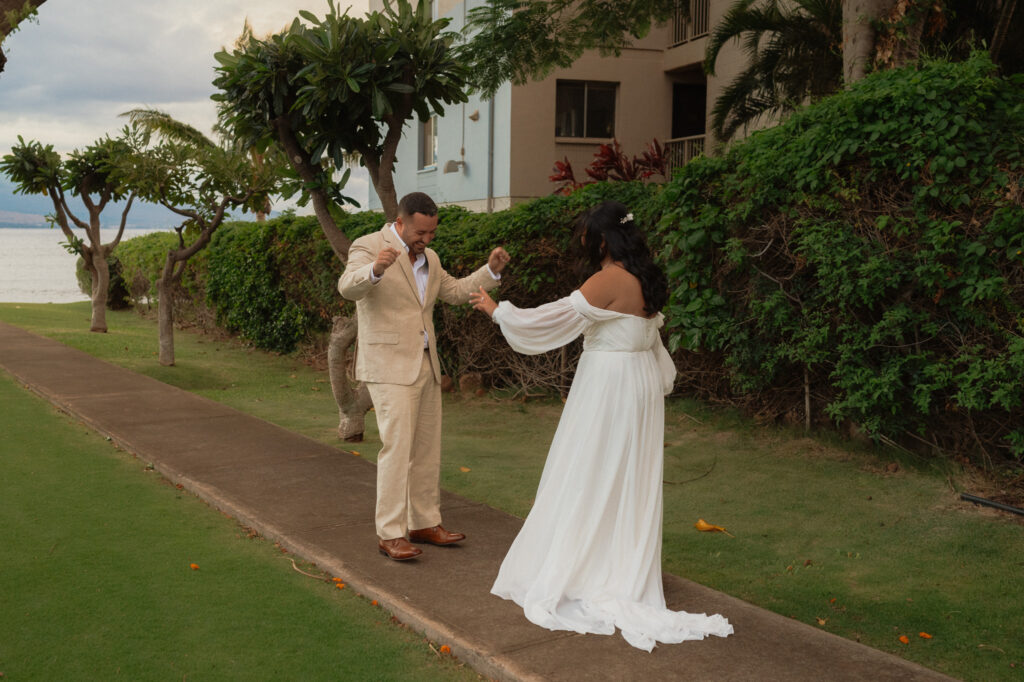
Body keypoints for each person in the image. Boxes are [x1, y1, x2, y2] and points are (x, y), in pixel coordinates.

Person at [468, 201, 733, 651]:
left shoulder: (609, 278)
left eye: (588, 237)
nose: (584, 244)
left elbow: (555, 318)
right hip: (638, 386)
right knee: (623, 476)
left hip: (610, 386)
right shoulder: (647, 276)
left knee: (589, 469)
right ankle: (618, 562)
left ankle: (589, 567)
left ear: (605, 239)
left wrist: (499, 312)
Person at [339, 192, 511, 561]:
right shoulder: (369, 245)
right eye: (421, 232)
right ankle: (390, 532)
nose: (427, 239)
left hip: (426, 364)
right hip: (387, 366)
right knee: (397, 449)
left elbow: (453, 292)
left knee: (426, 449)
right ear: (400, 222)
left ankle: (424, 522)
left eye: (432, 232)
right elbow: (347, 287)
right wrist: (376, 270)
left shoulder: (430, 258)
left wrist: (490, 271)